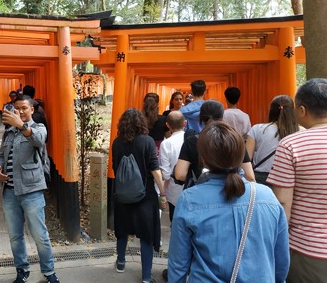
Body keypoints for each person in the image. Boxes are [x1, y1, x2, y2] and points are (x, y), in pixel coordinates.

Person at [168, 122, 289, 283]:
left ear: (203, 158)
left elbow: (178, 263)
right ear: (242, 155)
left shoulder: (190, 199)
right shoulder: (267, 196)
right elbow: (281, 259)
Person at [0, 95, 59, 283]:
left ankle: (49, 271)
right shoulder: (9, 132)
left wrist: (21, 125)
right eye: (16, 108)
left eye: (24, 108)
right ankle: (22, 270)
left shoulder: (39, 128)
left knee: (40, 235)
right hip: (10, 191)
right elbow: (1, 157)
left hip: (32, 190)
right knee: (15, 236)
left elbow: (38, 140)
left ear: (32, 110)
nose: (20, 111)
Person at [267, 78, 327, 283]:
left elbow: (283, 202)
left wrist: (276, 245)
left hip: (308, 248)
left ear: (302, 110)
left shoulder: (292, 144)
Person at [112, 108, 166, 283]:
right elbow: (154, 169)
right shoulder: (147, 141)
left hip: (122, 193)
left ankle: (121, 262)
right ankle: (145, 277)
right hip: (145, 195)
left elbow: (115, 167)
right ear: (141, 123)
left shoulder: (117, 143)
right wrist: (162, 192)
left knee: (122, 230)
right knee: (146, 235)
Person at [174, 100, 255, 187]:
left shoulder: (191, 141)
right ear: (222, 117)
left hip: (201, 192)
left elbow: (180, 175)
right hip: (231, 191)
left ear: (201, 118)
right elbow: (250, 177)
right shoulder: (236, 139)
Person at [245, 95, 299, 185]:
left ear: (271, 110)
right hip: (288, 179)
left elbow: (246, 158)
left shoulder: (257, 129)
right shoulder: (300, 131)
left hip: (261, 179)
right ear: (292, 111)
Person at [159, 110, 186, 223]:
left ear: (167, 125)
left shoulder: (166, 144)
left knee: (175, 223)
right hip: (192, 187)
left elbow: (165, 173)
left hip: (174, 191)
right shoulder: (193, 139)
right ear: (185, 123)